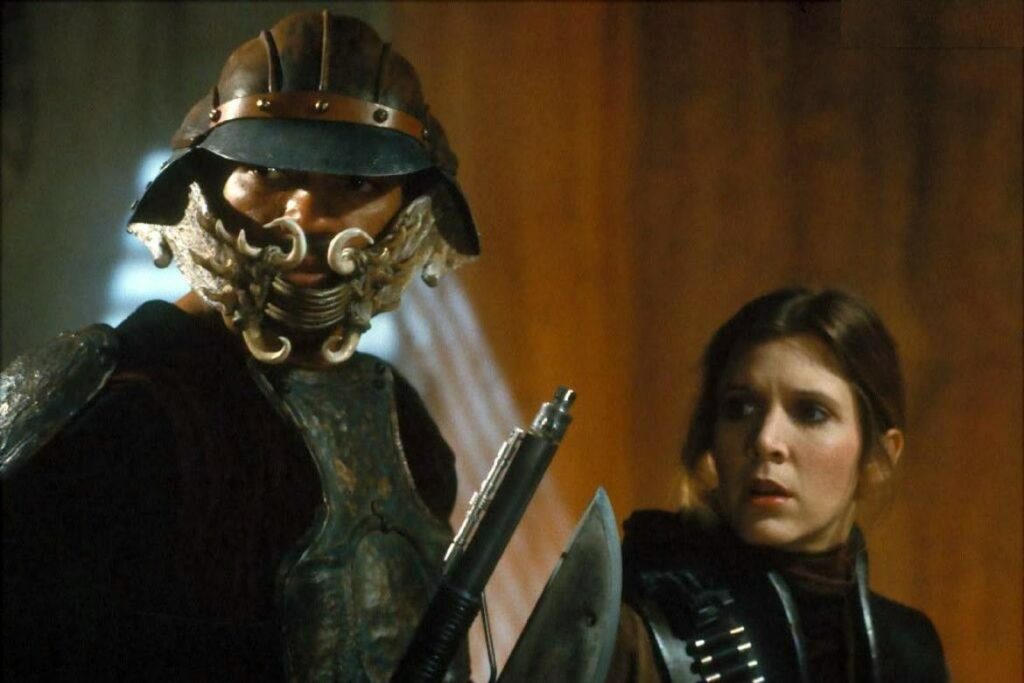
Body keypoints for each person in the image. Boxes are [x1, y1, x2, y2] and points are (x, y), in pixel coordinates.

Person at [1, 11, 476, 681]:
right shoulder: (109, 412)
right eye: (269, 171)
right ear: (203, 184)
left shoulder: (402, 424)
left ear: (413, 206)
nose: (306, 213)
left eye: (358, 183)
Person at [606, 287, 948, 682]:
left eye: (811, 413)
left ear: (877, 458)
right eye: (739, 408)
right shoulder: (641, 624)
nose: (765, 440)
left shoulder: (907, 650)